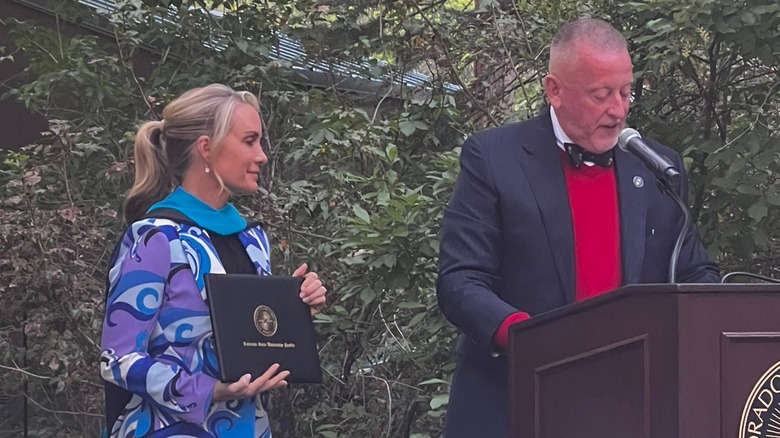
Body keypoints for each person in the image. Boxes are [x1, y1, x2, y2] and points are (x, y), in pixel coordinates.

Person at [436, 18, 719, 437]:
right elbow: (460, 280)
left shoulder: (658, 166)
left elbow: (695, 272)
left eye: (626, 93)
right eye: (600, 95)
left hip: (632, 407)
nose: (619, 110)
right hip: (517, 402)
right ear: (554, 90)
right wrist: (529, 339)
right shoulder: (494, 158)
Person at [100, 84, 327, 437]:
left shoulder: (251, 238)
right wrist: (208, 391)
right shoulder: (156, 237)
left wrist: (296, 309)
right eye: (250, 141)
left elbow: (250, 337)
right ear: (206, 148)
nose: (262, 155)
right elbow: (118, 360)